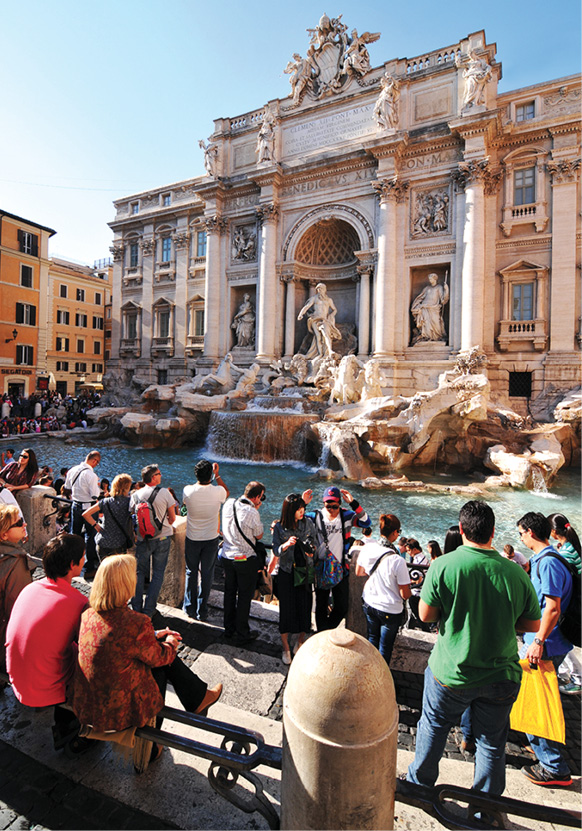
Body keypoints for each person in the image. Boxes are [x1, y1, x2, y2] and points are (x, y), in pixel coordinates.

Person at [407, 500, 540, 802]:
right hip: (502, 674)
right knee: (491, 742)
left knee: (434, 725)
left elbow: (426, 615)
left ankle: (418, 787)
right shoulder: (516, 573)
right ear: (493, 532)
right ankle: (485, 807)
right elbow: (532, 622)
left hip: (451, 673)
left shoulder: (443, 565)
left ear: (462, 529)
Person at [71, 554, 221, 763]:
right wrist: (170, 642)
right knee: (161, 665)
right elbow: (161, 657)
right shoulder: (136, 622)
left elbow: (116, 641)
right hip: (117, 712)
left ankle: (198, 697)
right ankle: (152, 747)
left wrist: (152, 635)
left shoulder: (88, 614)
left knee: (154, 651)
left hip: (86, 702)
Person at [6, 534, 89, 750]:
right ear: (72, 564)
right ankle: (74, 730)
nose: (85, 559)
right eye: (83, 556)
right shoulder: (78, 602)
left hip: (17, 678)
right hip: (44, 689)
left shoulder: (30, 588)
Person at [517, 512, 574, 786]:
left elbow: (552, 607)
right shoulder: (549, 559)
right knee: (540, 700)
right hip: (550, 642)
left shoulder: (549, 564)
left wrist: (537, 642)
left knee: (537, 703)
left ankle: (554, 767)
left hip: (546, 645)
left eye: (520, 533)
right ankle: (541, 748)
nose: (520, 538)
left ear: (530, 532)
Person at [304, 486, 371, 632]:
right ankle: (322, 635)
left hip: (341, 568)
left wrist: (353, 503)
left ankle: (326, 630)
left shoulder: (346, 516)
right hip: (321, 568)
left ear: (340, 503)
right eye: (328, 505)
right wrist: (303, 504)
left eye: (335, 506)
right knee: (320, 605)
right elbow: (296, 519)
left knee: (342, 606)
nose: (331, 509)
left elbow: (366, 522)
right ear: (323, 503)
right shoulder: (315, 516)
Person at [355, 513, 411, 665]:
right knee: (385, 649)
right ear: (394, 533)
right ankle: (380, 683)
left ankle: (369, 675)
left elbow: (359, 572)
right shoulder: (397, 560)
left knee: (372, 640)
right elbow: (405, 594)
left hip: (369, 602)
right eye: (398, 532)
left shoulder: (367, 548)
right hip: (390, 610)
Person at [270, 493, 317, 665]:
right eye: (298, 509)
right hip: (287, 572)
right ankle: (286, 648)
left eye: (303, 508)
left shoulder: (308, 523)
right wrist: (285, 545)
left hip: (305, 571)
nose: (302, 511)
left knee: (304, 608)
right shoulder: (280, 528)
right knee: (286, 610)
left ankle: (300, 641)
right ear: (290, 511)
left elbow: (316, 542)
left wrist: (312, 549)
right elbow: (275, 550)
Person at [182, 460, 229, 622]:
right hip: (211, 538)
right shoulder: (218, 492)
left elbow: (184, 504)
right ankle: (203, 610)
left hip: (192, 537)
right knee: (207, 573)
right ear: (210, 474)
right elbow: (226, 493)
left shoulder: (187, 490)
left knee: (191, 572)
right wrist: (218, 475)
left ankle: (189, 608)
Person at [220, 481, 265, 645]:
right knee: (244, 596)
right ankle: (242, 632)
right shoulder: (252, 512)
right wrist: (255, 509)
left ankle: (228, 628)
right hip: (244, 559)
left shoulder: (228, 503)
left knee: (229, 593)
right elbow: (259, 535)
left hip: (226, 556)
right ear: (258, 497)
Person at [130, 465, 176, 618]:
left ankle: (136, 608)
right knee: (157, 574)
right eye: (158, 473)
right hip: (162, 538)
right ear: (152, 477)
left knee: (139, 573)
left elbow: (132, 513)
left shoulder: (136, 495)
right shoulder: (164, 492)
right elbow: (173, 518)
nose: (161, 475)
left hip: (143, 538)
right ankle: (149, 610)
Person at [547, 513, 581, 694]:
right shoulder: (569, 546)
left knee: (562, 642)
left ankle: (577, 677)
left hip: (569, 606)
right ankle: (569, 673)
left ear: (553, 531)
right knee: (562, 643)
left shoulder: (566, 553)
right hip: (573, 603)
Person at [0, 506, 34, 670]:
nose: (24, 525)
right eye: (19, 523)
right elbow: (16, 608)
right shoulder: (15, 562)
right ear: (4, 534)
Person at [64, 451, 101, 579]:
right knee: (90, 535)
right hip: (88, 507)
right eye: (97, 462)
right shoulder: (91, 475)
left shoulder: (72, 470)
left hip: (75, 505)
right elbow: (94, 495)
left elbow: (67, 486)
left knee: (75, 533)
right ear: (94, 461)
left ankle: (71, 561)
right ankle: (89, 566)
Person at [82, 474, 134, 559]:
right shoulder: (129, 502)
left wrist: (96, 525)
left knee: (104, 570)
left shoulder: (105, 502)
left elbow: (86, 514)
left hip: (103, 542)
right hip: (119, 543)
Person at [297, 283, 342, 359]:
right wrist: (301, 314)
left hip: (324, 320)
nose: (319, 290)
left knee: (325, 334)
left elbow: (334, 309)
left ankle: (329, 351)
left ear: (324, 290)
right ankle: (320, 354)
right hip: (315, 319)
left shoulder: (329, 300)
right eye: (318, 289)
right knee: (318, 336)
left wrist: (331, 315)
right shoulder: (314, 298)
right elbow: (307, 306)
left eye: (320, 288)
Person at [410, 273, 449, 344]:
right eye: (429, 279)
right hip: (425, 308)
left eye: (431, 279)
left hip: (434, 309)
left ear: (435, 279)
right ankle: (426, 337)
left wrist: (446, 290)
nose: (430, 280)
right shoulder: (427, 288)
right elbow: (420, 297)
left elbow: (443, 300)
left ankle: (436, 337)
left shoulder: (439, 287)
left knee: (436, 324)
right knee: (426, 323)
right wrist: (417, 305)